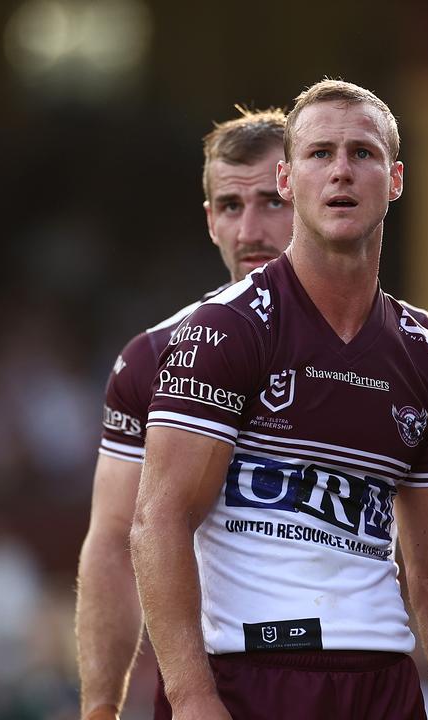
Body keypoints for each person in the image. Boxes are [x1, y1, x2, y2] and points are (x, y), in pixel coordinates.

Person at [129, 80, 428, 720]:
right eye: (320, 154)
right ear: (288, 179)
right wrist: (191, 699)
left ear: (397, 178)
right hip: (250, 676)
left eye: (363, 153)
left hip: (382, 682)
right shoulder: (225, 329)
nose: (341, 172)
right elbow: (157, 522)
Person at [75, 107, 293, 720]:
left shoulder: (401, 351)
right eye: (230, 205)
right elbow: (114, 544)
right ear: (209, 222)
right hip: (215, 689)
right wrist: (98, 711)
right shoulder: (152, 358)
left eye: (271, 202)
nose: (250, 228)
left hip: (365, 679)